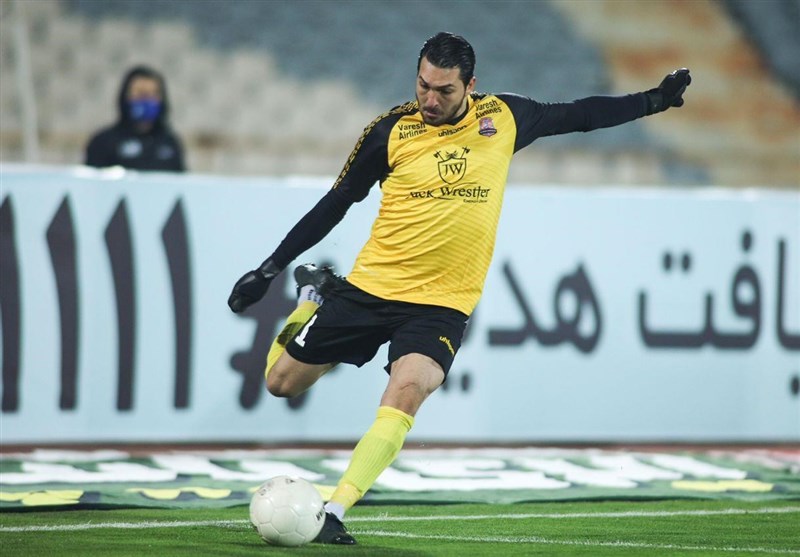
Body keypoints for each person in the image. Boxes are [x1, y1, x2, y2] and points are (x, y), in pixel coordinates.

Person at [228, 32, 691, 544]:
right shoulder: (389, 132)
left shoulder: (505, 117)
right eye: (423, 86)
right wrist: (269, 269)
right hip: (371, 287)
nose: (430, 100)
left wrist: (653, 101)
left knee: (407, 391)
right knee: (281, 383)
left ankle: (334, 511)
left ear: (471, 85)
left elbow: (581, 114)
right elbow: (336, 203)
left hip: (440, 305)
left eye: (444, 90)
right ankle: (311, 299)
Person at [85, 65, 186, 172]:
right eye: (141, 94)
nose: (147, 100)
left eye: (153, 94)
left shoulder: (169, 142)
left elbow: (180, 179)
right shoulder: (104, 141)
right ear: (125, 97)